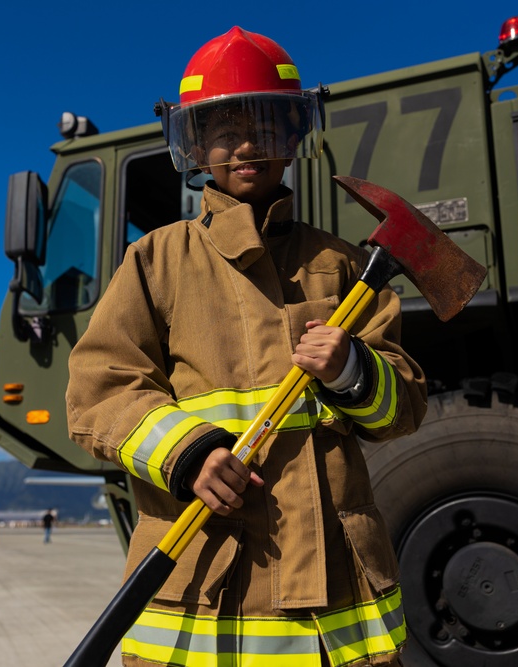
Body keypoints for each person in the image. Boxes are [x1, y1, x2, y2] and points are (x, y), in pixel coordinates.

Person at [66, 26, 427, 667]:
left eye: (265, 126)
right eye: (222, 130)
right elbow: (100, 389)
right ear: (196, 146)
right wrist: (187, 455)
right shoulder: (155, 260)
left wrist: (353, 370)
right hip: (201, 597)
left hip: (337, 611)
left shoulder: (342, 267)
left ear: (294, 138)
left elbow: (402, 408)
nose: (245, 145)